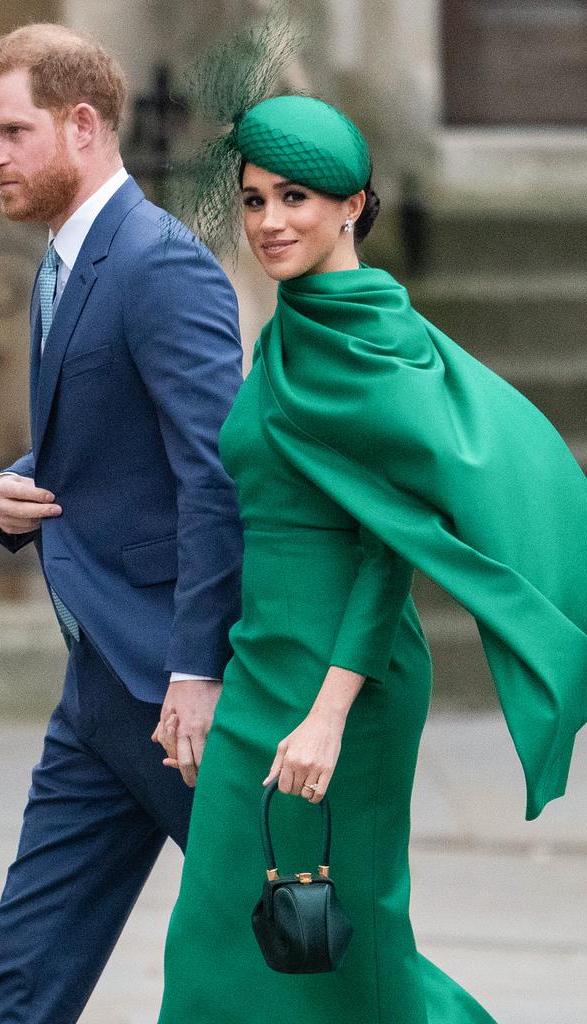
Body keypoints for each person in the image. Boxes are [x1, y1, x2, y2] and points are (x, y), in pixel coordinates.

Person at [157, 95, 587, 1023]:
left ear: (353, 204)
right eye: (256, 199)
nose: (271, 222)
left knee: (344, 948)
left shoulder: (372, 339)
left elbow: (388, 547)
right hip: (262, 663)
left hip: (341, 683)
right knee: (222, 934)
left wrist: (327, 717)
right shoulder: (288, 332)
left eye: (297, 198)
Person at [0, 23, 243, 1024]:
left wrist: (196, 671)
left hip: (177, 702)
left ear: (81, 126)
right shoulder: (70, 262)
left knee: (293, 953)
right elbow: (111, 441)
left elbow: (216, 474)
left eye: (9, 132)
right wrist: (15, 490)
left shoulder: (159, 265)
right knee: (22, 975)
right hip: (98, 693)